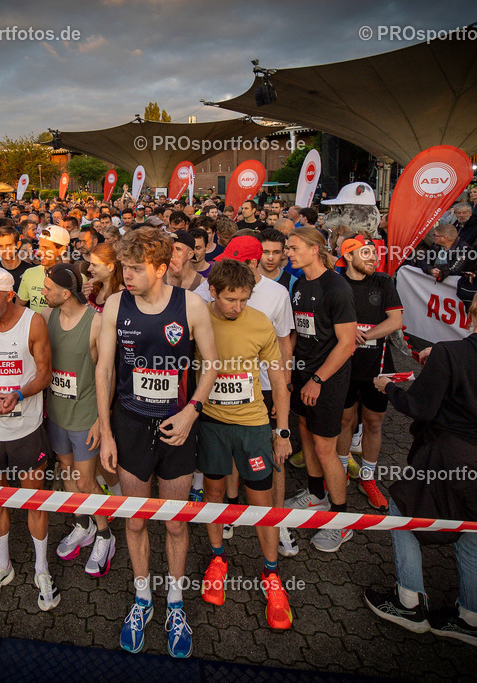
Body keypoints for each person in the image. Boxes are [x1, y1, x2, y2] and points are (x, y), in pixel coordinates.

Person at [365, 283, 477, 649]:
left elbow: (420, 407)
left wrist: (388, 387)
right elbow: (472, 378)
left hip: (447, 457)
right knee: (471, 529)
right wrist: (439, 361)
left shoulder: (453, 352)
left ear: (475, 309)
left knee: (402, 513)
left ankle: (409, 603)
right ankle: (473, 619)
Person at [96, 228, 218, 658]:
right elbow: (105, 371)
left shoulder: (193, 306)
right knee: (134, 520)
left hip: (178, 427)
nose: (126, 276)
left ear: (162, 268)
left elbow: (211, 366)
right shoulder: (115, 304)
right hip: (130, 425)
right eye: (123, 267)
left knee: (176, 522)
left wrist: (192, 410)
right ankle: (143, 598)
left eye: (134, 268)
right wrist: (107, 431)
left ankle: (176, 604)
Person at [195, 259, 293, 630]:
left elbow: (279, 379)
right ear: (214, 292)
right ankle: (218, 559)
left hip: (252, 424)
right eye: (230, 299)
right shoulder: (199, 316)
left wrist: (281, 432)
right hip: (211, 422)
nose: (237, 307)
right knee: (214, 491)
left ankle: (272, 575)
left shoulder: (259, 322)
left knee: (261, 500)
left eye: (244, 299)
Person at [0, 267, 60, 611]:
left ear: (9, 296)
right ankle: (2, 565)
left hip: (27, 428)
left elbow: (44, 372)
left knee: (34, 501)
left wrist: (18, 395)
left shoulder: (33, 322)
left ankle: (41, 568)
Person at [282, 228, 357, 553]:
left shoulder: (336, 287)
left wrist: (318, 379)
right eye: (287, 247)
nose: (289, 252)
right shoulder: (299, 284)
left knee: (326, 447)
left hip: (327, 380)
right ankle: (315, 494)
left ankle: (341, 521)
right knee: (305, 429)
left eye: (294, 247)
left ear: (315, 249)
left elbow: (347, 344)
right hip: (303, 373)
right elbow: (299, 332)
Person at [42, 263, 116, 576]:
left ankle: (105, 535)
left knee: (86, 480)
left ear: (65, 292)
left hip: (85, 414)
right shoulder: (48, 318)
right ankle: (82, 523)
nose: (43, 293)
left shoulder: (96, 323)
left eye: (47, 289)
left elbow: (108, 374)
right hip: (57, 414)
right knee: (68, 473)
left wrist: (103, 419)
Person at [334, 236, 403, 512]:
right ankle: (338, 473)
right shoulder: (337, 283)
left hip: (378, 364)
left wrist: (362, 336)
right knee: (345, 420)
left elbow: (395, 321)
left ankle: (368, 477)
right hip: (345, 366)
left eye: (375, 254)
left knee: (373, 423)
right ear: (348, 257)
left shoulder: (384, 281)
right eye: (366, 254)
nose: (373, 259)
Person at [17, 225, 71, 313]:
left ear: (62, 249)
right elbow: (18, 307)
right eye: (39, 247)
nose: (38, 253)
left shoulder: (74, 277)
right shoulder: (29, 273)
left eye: (46, 248)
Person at [84, 242, 124, 313]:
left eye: (94, 265)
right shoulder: (93, 289)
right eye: (90, 264)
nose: (89, 269)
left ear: (110, 267)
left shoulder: (122, 297)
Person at [257, 228, 298, 296]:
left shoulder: (292, 283)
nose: (270, 258)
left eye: (276, 252)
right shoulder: (246, 278)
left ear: (282, 254)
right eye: (265, 252)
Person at [0, 225, 32, 290]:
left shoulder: (30, 271)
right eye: (0, 246)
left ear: (18, 245)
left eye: (9, 245)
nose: (4, 250)